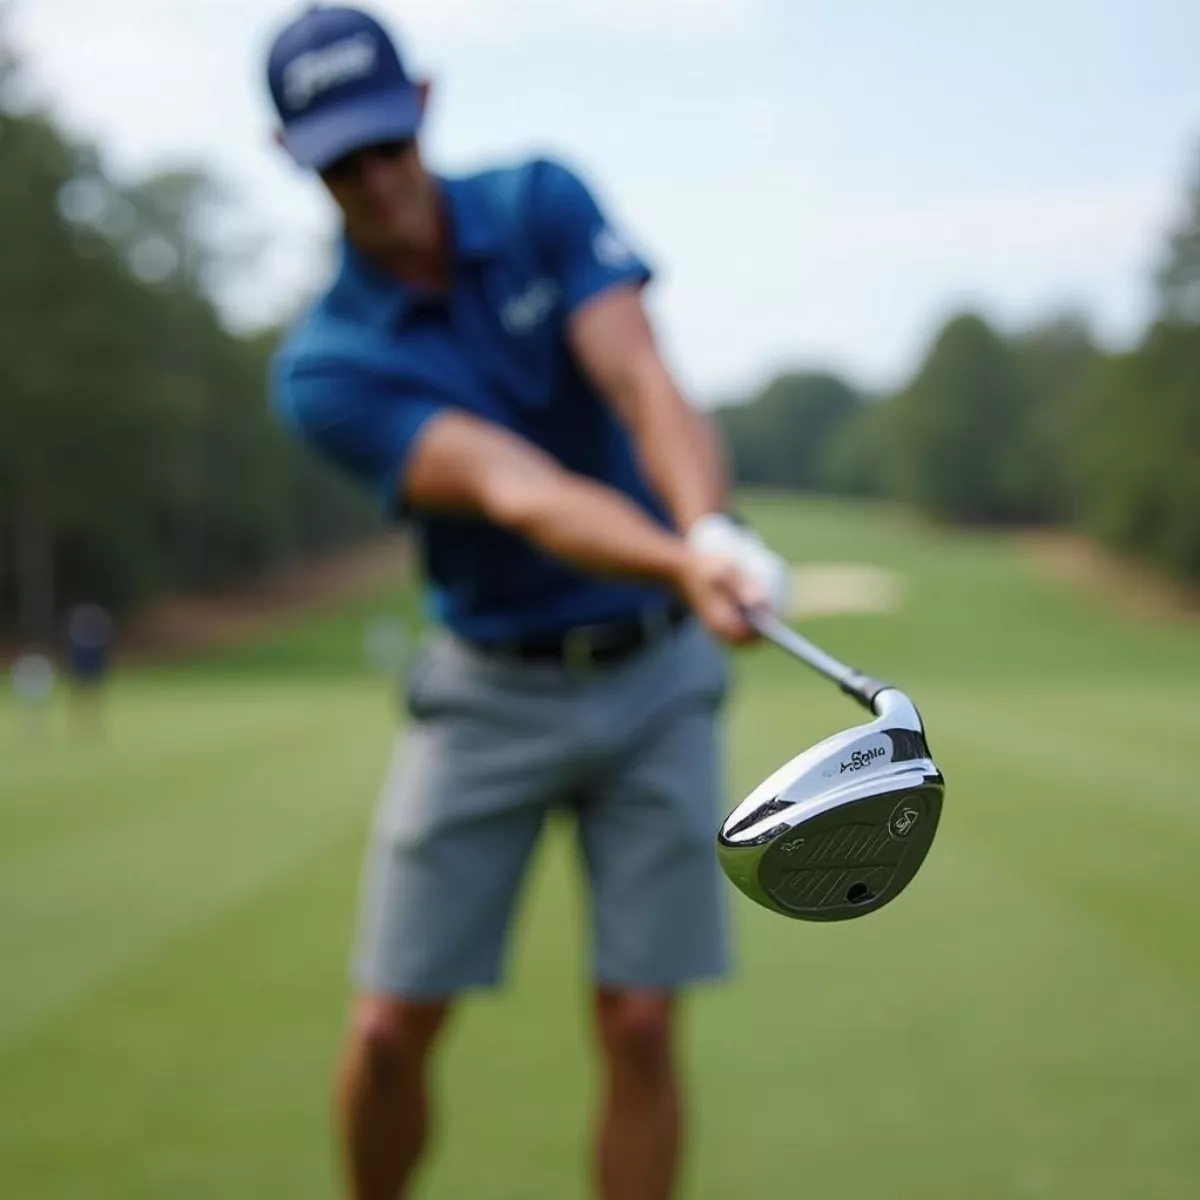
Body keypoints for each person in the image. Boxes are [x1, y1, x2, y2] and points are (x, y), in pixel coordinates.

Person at [263, 7, 790, 1198]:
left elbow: (638, 372)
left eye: (387, 144)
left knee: (643, 1021)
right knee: (392, 1026)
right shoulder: (326, 366)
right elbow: (517, 489)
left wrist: (705, 525)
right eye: (342, 162)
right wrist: (684, 561)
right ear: (294, 160)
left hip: (655, 679)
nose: (376, 179)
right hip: (489, 689)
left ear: (426, 107)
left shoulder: (541, 199)